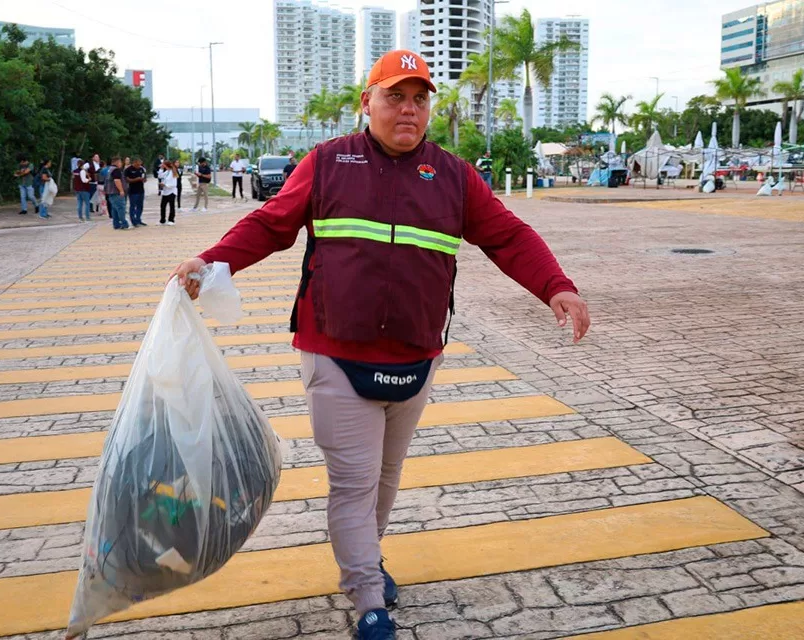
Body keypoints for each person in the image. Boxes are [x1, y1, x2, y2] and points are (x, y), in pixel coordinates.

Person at [169, 49, 590, 640]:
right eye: (396, 95)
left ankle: (368, 556)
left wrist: (556, 286)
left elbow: (508, 236)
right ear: (367, 102)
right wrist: (211, 260)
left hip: (418, 353)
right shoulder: (327, 163)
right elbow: (271, 224)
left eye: (420, 99)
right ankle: (367, 597)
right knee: (355, 479)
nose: (409, 109)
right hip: (335, 352)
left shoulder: (453, 175)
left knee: (386, 477)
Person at [106, 156, 129, 230]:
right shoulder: (116, 170)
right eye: (120, 162)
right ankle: (124, 223)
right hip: (116, 192)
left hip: (110, 192)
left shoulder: (109, 169)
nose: (121, 164)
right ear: (117, 162)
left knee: (115, 209)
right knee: (121, 208)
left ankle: (116, 224)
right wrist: (121, 190)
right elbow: (117, 180)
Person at [125, 157, 148, 227]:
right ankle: (133, 221)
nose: (139, 166)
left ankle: (138, 219)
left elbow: (145, 178)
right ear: (134, 163)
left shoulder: (142, 169)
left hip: (141, 190)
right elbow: (127, 179)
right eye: (137, 164)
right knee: (133, 206)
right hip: (133, 190)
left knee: (140, 206)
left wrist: (144, 179)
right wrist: (136, 179)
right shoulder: (128, 169)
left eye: (140, 164)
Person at [158, 160, 178, 225]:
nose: (162, 165)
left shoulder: (173, 172)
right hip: (165, 192)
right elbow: (160, 176)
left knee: (171, 206)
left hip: (171, 192)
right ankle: (162, 220)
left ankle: (171, 220)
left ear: (166, 165)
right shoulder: (167, 171)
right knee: (162, 206)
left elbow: (174, 184)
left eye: (163, 164)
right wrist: (161, 169)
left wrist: (165, 185)